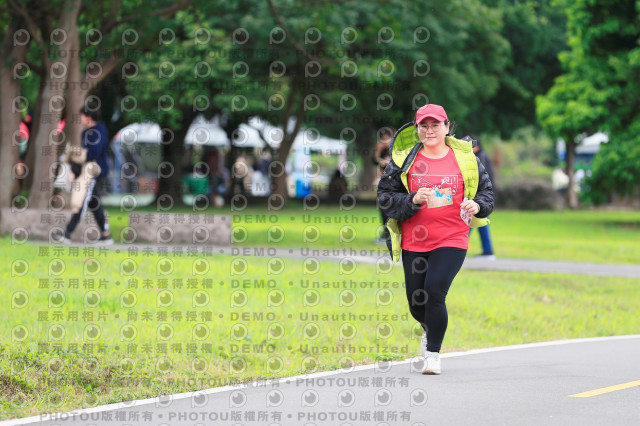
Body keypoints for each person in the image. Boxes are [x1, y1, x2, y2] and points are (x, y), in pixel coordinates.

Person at [377, 104, 493, 375]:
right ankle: (429, 328)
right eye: (424, 126)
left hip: (452, 237)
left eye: (435, 125)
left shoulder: (466, 158)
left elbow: (487, 193)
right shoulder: (404, 159)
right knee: (416, 301)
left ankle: (432, 355)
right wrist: (412, 199)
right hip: (414, 240)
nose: (430, 131)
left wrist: (477, 205)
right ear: (417, 128)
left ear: (447, 126)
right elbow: (385, 197)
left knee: (435, 291)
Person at [59, 106, 113, 244]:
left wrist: (76, 157)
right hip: (86, 171)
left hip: (94, 171)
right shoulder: (85, 133)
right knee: (94, 202)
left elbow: (92, 154)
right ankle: (106, 234)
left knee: (82, 199)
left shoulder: (99, 132)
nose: (80, 119)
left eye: (81, 116)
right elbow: (86, 155)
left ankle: (67, 233)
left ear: (89, 117)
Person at [466, 135, 496, 260]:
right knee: (480, 224)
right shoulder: (482, 156)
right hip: (482, 198)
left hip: (481, 198)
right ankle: (488, 251)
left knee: (469, 224)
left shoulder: (479, 158)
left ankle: (457, 248)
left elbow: (481, 181)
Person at [373, 127, 395, 245]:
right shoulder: (381, 149)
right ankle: (386, 233)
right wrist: (378, 150)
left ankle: (391, 234)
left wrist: (390, 162)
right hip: (383, 180)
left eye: (387, 138)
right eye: (383, 138)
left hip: (394, 182)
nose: (385, 140)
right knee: (383, 207)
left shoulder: (397, 149)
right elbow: (374, 161)